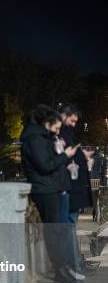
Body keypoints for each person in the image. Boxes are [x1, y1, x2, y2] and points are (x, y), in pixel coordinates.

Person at [20, 105, 83, 283]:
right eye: (56, 128)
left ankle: (63, 272)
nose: (57, 131)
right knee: (54, 232)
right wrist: (65, 155)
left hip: (49, 189)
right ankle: (61, 272)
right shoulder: (34, 139)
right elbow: (45, 165)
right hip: (45, 190)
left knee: (55, 232)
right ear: (46, 123)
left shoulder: (39, 137)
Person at [59, 103, 93, 274]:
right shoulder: (60, 135)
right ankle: (73, 265)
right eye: (72, 120)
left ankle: (75, 263)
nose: (74, 124)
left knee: (70, 228)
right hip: (68, 189)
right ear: (63, 116)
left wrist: (82, 156)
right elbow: (61, 159)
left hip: (73, 188)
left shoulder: (66, 134)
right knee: (68, 228)